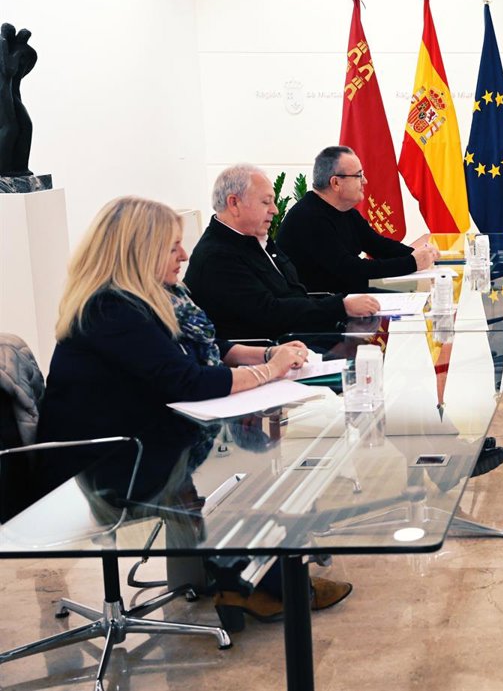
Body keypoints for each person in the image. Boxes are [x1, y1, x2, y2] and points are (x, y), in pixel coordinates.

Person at [37, 196, 352, 629]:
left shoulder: (148, 299)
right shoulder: (110, 310)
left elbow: (202, 351)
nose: (184, 255)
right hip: (107, 465)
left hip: (138, 441)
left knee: (253, 452)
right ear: (139, 251)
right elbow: (186, 380)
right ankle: (258, 585)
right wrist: (269, 371)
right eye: (172, 247)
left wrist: (267, 355)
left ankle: (247, 581)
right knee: (246, 470)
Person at [185, 164, 381, 340]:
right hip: (273, 350)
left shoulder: (255, 239)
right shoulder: (217, 256)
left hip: (302, 334)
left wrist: (341, 306)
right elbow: (268, 313)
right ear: (234, 203)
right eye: (266, 202)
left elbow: (293, 294)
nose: (275, 210)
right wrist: (341, 306)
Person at [276, 146, 440, 293]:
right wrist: (412, 262)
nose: (365, 181)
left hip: (346, 297)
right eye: (358, 175)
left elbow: (379, 246)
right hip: (321, 307)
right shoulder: (308, 218)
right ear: (336, 183)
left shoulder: (345, 211)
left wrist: (424, 255)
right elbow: (351, 269)